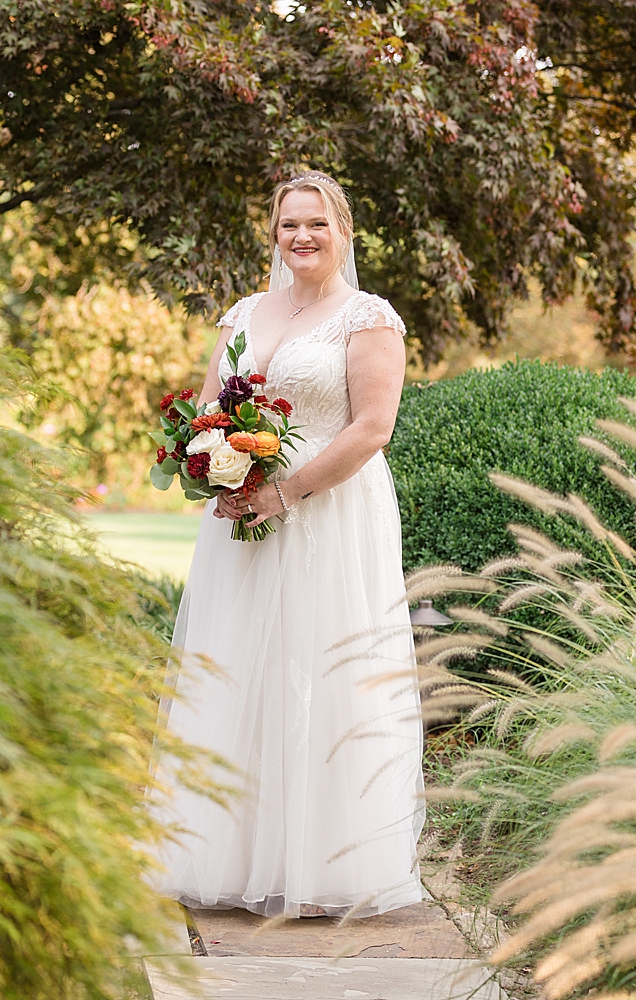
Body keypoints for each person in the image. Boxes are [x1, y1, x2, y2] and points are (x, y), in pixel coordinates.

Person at [153, 172, 425, 920]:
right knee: (239, 670)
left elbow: (372, 429)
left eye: (316, 224)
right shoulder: (245, 312)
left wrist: (286, 491)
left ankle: (325, 865)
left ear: (342, 229)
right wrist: (214, 470)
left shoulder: (367, 318)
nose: (300, 237)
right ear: (274, 234)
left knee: (321, 670)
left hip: (329, 515)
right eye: (287, 226)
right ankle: (233, 854)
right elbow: (210, 406)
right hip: (245, 515)